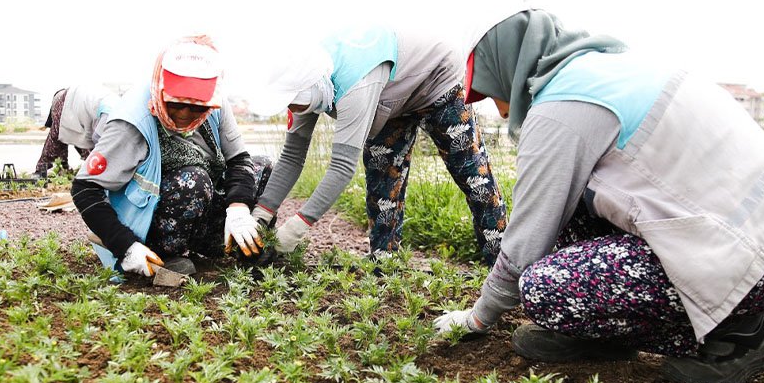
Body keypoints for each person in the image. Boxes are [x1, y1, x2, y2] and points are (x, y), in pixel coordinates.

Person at [433, 9, 764, 383]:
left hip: (758, 261)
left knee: (542, 290)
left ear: (507, 65)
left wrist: (478, 317)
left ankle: (738, 333)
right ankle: (599, 332)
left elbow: (524, 244)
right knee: (567, 208)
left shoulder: (562, 106)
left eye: (490, 89)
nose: (498, 110)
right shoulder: (609, 70)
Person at [253, 27, 506, 265]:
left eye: (297, 104)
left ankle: (503, 267)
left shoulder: (353, 83)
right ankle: (384, 263)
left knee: (474, 178)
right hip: (390, 96)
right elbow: (291, 156)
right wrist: (259, 217)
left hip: (437, 80)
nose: (294, 110)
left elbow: (341, 167)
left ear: (314, 87)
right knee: (382, 182)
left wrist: (296, 227)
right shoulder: (301, 84)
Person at [71, 35, 270, 277]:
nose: (186, 113)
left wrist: (238, 211)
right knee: (194, 180)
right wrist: (125, 246)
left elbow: (239, 160)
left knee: (263, 168)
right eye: (176, 103)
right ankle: (166, 257)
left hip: (198, 215)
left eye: (197, 106)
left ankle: (242, 242)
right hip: (150, 229)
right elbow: (85, 188)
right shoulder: (132, 122)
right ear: (160, 90)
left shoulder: (215, 102)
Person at [34, 84, 116, 177]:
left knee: (81, 140)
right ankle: (41, 171)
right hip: (67, 101)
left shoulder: (115, 109)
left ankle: (73, 168)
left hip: (81, 108)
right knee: (58, 137)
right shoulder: (111, 111)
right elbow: (97, 138)